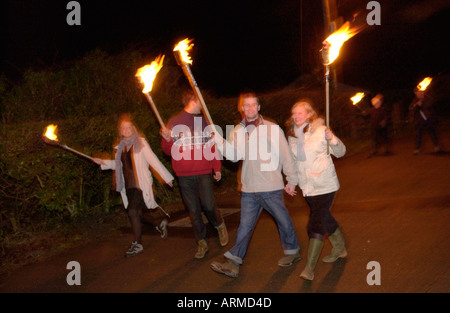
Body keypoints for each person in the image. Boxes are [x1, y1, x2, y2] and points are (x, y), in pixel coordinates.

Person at [210, 92, 300, 278]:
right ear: (242, 108)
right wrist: (219, 141)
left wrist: (291, 180)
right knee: (245, 226)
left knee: (283, 220)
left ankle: (292, 251)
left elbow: (285, 155)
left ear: (258, 107)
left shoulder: (272, 129)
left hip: (270, 186)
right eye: (246, 105)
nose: (249, 108)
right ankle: (233, 262)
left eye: (253, 105)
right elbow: (234, 156)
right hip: (249, 188)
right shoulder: (237, 131)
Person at [93, 113, 174, 258]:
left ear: (133, 128)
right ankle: (158, 223)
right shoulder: (119, 148)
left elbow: (153, 160)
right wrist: (103, 162)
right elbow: (118, 165)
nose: (126, 129)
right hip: (128, 186)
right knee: (137, 213)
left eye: (129, 127)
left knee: (132, 212)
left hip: (140, 185)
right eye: (123, 127)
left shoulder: (140, 142)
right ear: (120, 130)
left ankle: (138, 243)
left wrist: (166, 176)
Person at [160, 90, 228, 259]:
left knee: (209, 205)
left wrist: (217, 167)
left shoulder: (205, 122)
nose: (203, 104)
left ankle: (219, 224)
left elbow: (212, 146)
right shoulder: (175, 122)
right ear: (193, 100)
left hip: (204, 171)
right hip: (184, 174)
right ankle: (202, 242)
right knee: (193, 210)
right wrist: (167, 139)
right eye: (201, 101)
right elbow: (168, 151)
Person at [285, 98, 347, 281]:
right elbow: (295, 163)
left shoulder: (321, 131)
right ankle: (340, 248)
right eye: (294, 113)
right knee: (324, 217)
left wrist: (333, 139)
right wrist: (291, 182)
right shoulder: (293, 138)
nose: (296, 116)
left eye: (300, 113)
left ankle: (309, 268)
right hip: (308, 188)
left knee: (315, 224)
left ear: (310, 114)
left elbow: (341, 152)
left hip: (325, 185)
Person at [409, 88, 440, 154]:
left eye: (418, 92)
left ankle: (436, 146)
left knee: (432, 133)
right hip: (420, 120)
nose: (417, 94)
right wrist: (416, 105)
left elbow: (430, 104)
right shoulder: (415, 100)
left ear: (422, 92)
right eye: (416, 93)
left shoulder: (427, 98)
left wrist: (422, 103)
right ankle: (417, 149)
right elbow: (411, 108)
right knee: (418, 134)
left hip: (428, 119)